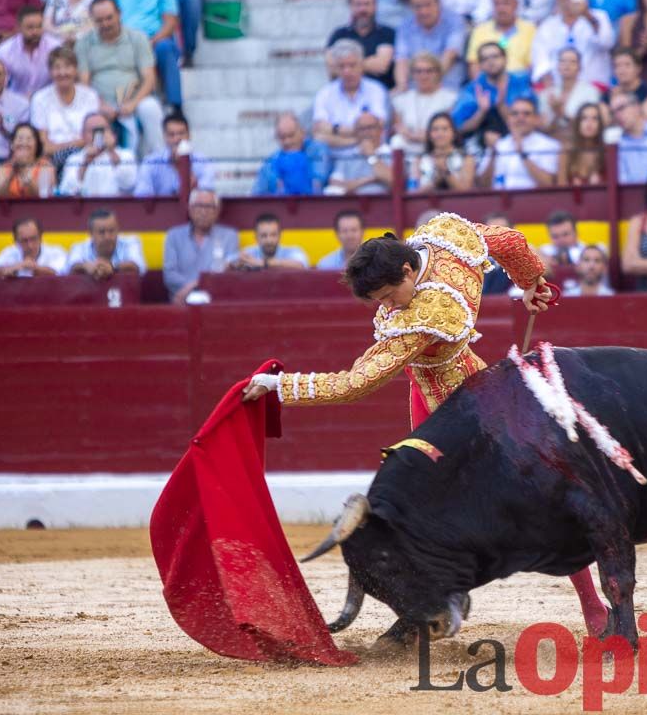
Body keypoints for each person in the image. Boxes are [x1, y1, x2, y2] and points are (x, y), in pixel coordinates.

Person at [241, 211, 611, 637]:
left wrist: (278, 387)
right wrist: (531, 283)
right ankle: (427, 604)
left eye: (387, 295)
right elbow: (508, 241)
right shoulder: (443, 237)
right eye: (378, 301)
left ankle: (593, 606)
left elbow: (353, 384)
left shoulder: (425, 314)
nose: (387, 306)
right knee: (418, 510)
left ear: (405, 270)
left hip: (468, 413)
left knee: (537, 500)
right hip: (430, 394)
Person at [76, 0, 165, 158]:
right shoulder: (84, 43)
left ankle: (159, 160)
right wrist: (100, 104)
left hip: (134, 99)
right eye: (99, 20)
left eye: (109, 18)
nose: (105, 24)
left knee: (150, 108)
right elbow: (84, 81)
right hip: (99, 101)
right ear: (93, 20)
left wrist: (132, 103)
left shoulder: (138, 38)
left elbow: (149, 78)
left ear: (119, 14)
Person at [104, 0, 183, 113]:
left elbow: (170, 21)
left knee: (165, 48)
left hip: (155, 39)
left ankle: (175, 108)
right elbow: (108, 20)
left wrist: (151, 41)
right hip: (123, 41)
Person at [312, 39, 390, 168]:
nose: (347, 71)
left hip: (372, 157)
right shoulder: (325, 93)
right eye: (342, 66)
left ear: (361, 66)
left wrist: (335, 130)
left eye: (352, 65)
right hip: (334, 161)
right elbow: (319, 134)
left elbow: (378, 125)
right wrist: (358, 138)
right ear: (336, 69)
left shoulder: (376, 90)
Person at [529, 0, 615, 88]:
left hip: (594, 88)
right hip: (558, 89)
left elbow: (606, 43)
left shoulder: (599, 17)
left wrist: (586, 15)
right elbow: (540, 61)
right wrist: (553, 91)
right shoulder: (547, 26)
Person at [452, 41, 534, 147]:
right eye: (485, 59)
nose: (491, 62)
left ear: (505, 59)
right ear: (480, 65)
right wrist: (481, 112)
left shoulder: (522, 81)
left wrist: (501, 106)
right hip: (482, 144)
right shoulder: (472, 89)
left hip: (524, 140)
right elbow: (457, 128)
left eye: (495, 56)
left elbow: (533, 120)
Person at [162, 188, 238, 302]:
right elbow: (169, 275)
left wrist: (193, 286)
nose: (204, 211)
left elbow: (227, 274)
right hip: (182, 302)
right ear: (190, 209)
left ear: (217, 211)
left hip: (215, 301)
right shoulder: (173, 236)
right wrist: (192, 288)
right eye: (199, 206)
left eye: (209, 207)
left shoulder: (229, 236)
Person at [30, 45, 99, 168]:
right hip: (54, 159)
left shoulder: (90, 96)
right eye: (57, 68)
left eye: (67, 67)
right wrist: (74, 144)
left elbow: (94, 138)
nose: (62, 73)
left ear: (75, 69)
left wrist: (66, 146)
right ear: (50, 72)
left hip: (87, 155)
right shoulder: (39, 99)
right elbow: (44, 145)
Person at [393, 0, 465, 91]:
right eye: (418, 6)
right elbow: (401, 60)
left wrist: (428, 86)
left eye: (428, 4)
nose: (424, 11)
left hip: (446, 87)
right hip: (415, 89)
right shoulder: (405, 27)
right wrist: (402, 86)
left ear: (438, 3)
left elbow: (450, 55)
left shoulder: (454, 22)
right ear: (411, 7)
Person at [390, 50, 457, 161]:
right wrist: (411, 136)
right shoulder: (401, 99)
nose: (423, 76)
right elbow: (398, 127)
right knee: (397, 141)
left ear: (438, 73)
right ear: (412, 74)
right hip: (409, 146)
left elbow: (450, 129)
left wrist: (426, 136)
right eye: (418, 71)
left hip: (437, 147)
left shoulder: (450, 98)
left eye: (429, 71)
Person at [478, 95, 558, 188]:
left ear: (536, 119)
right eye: (515, 114)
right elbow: (483, 185)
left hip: (534, 201)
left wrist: (522, 154)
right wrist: (493, 153)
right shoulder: (497, 145)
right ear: (508, 119)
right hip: (499, 200)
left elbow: (548, 184)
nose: (520, 118)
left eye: (526, 114)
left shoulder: (549, 145)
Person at [326, 0, 397, 90]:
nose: (363, 9)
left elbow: (381, 65)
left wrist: (345, 65)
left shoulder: (387, 33)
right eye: (358, 4)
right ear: (350, 6)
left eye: (367, 4)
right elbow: (332, 69)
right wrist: (369, 64)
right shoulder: (339, 35)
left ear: (375, 6)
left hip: (382, 95)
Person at [133, 111, 213, 196]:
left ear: (189, 135)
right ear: (164, 137)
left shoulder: (202, 161)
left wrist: (182, 167)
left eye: (181, 133)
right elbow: (142, 195)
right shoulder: (150, 161)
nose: (177, 139)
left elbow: (206, 196)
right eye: (171, 135)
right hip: (162, 209)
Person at [58, 112, 137, 196]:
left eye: (102, 130)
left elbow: (129, 185)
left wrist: (112, 152)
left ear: (111, 132)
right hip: (86, 207)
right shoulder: (74, 159)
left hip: (115, 207)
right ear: (83, 135)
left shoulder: (126, 155)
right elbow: (66, 192)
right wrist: (86, 163)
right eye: (93, 131)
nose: (98, 135)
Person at [254, 112, 331, 196]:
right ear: (276, 137)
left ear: (303, 133)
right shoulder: (270, 163)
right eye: (282, 137)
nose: (287, 141)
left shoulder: (318, 150)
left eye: (291, 135)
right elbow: (256, 196)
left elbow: (318, 182)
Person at [464, 0, 536, 77]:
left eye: (506, 3)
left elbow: (532, 66)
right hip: (488, 84)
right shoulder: (480, 31)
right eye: (497, 4)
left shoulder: (530, 30)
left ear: (516, 5)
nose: (501, 9)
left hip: (520, 85)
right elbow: (474, 64)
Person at [0, 6, 60, 98]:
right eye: (30, 27)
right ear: (18, 28)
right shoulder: (5, 51)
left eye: (39, 26)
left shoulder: (55, 47)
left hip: (49, 101)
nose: (35, 32)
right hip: (15, 102)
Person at [537, 46, 600, 139]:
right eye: (563, 61)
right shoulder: (546, 94)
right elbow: (544, 129)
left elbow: (591, 126)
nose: (567, 65)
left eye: (572, 62)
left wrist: (562, 114)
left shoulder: (591, 92)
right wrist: (556, 115)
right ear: (557, 66)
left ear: (580, 67)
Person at [65, 207, 146, 278]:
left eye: (111, 231)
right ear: (91, 233)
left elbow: (137, 266)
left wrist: (113, 267)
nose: (107, 237)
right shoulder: (79, 247)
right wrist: (86, 267)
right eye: (102, 232)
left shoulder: (131, 243)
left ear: (118, 229)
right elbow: (71, 268)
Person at [326, 110, 392, 195]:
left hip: (383, 204)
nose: (366, 132)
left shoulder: (392, 153)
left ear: (381, 130)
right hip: (352, 204)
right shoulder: (348, 155)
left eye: (370, 127)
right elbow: (335, 184)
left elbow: (394, 181)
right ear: (356, 132)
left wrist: (371, 155)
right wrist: (370, 179)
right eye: (362, 129)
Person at [0, 216, 67, 277]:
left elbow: (58, 273)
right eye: (24, 240)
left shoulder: (55, 252)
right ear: (15, 240)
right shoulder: (9, 252)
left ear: (41, 237)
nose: (30, 245)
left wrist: (32, 267)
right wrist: (9, 269)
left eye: (33, 239)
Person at [415, 112, 475, 190]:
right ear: (429, 134)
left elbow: (466, 190)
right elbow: (415, 192)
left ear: (453, 133)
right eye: (435, 129)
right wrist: (436, 180)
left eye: (445, 129)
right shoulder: (419, 160)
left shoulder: (467, 158)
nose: (440, 133)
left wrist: (446, 172)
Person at [0, 122, 54, 197]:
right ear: (12, 144)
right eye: (20, 138)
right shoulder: (2, 168)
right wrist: (11, 176)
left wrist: (24, 174)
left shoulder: (45, 166)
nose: (24, 143)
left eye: (29, 139)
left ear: (37, 145)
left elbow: (45, 197)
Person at [230, 213, 309, 271]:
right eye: (264, 235)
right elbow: (226, 264)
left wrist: (264, 263)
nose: (269, 240)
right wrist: (236, 264)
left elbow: (300, 265)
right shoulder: (249, 252)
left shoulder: (292, 251)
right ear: (256, 237)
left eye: (273, 235)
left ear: (279, 235)